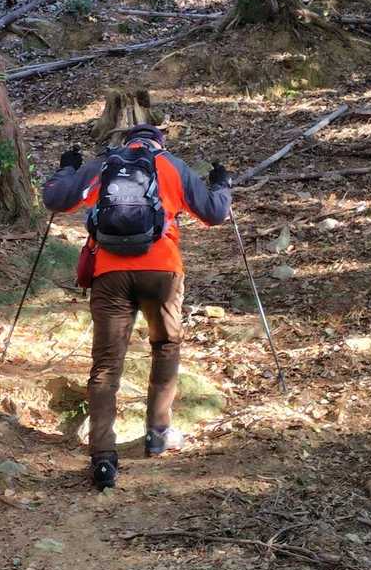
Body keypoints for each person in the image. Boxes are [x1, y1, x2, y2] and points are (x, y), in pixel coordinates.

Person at [42, 123, 232, 491]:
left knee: (106, 364)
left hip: (109, 272)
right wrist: (222, 184)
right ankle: (158, 434)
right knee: (166, 345)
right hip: (162, 271)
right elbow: (215, 213)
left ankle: (102, 456)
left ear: (127, 142)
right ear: (160, 143)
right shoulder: (172, 165)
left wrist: (67, 167)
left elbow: (56, 199)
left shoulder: (104, 165)